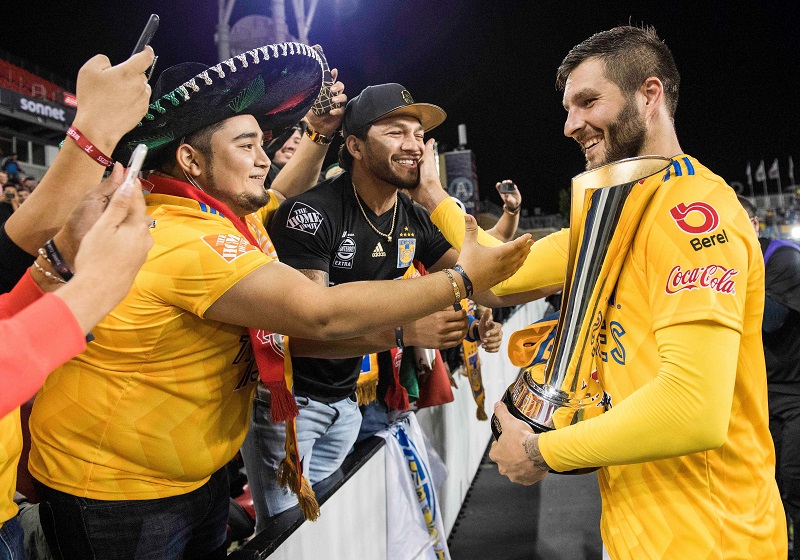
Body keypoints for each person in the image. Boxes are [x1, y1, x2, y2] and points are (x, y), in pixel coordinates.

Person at [27, 47, 532, 560]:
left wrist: (318, 135)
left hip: (188, 480)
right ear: (190, 160)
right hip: (117, 496)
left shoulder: (221, 212)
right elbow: (318, 312)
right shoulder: (181, 235)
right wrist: (459, 282)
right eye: (247, 145)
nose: (265, 159)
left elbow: (281, 198)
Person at [409, 25, 786, 558]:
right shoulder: (614, 212)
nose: (570, 125)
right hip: (633, 528)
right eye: (567, 109)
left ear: (649, 95)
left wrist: (541, 452)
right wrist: (432, 195)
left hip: (710, 539)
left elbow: (692, 405)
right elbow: (502, 276)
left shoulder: (692, 213)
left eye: (588, 102)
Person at [242, 83, 502, 527]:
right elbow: (300, 334)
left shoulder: (412, 215)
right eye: (396, 132)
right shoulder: (312, 213)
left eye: (419, 135)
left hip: (348, 401)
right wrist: (404, 333)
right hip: (291, 407)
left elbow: (484, 282)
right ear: (356, 146)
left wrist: (478, 321)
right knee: (290, 538)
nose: (413, 145)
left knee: (332, 531)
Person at [740, 195, 800, 557]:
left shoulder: (783, 257)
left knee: (793, 482)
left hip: (794, 397)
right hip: (759, 397)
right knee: (766, 486)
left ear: (754, 225)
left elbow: (770, 320)